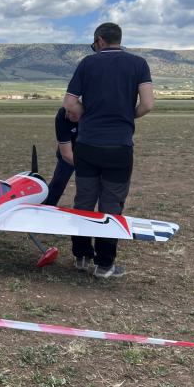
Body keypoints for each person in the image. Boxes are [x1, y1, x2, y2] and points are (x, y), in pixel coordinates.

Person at [63, 22, 155, 278]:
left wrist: (86, 115)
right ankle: (104, 264)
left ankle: (80, 256)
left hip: (87, 144)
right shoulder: (139, 64)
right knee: (111, 204)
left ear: (99, 40)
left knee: (83, 200)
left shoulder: (87, 64)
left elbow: (70, 103)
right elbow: (147, 104)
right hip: (119, 146)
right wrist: (126, 116)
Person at [43, 106, 79, 207]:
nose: (67, 113)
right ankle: (47, 209)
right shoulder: (62, 115)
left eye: (71, 112)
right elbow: (66, 153)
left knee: (86, 189)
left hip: (87, 154)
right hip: (67, 154)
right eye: (67, 110)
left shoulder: (91, 114)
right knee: (58, 183)